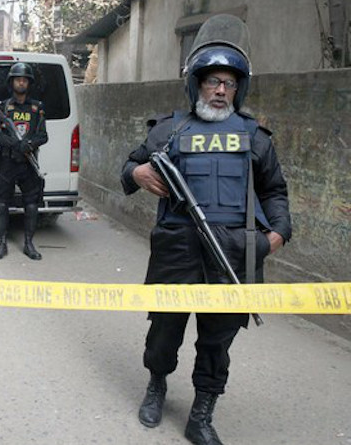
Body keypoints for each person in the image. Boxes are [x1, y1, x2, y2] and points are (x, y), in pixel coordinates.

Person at [120, 15, 291, 445]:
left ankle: (201, 414)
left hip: (233, 251)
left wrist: (277, 236)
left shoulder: (254, 137)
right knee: (164, 328)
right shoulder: (169, 130)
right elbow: (127, 165)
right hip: (178, 247)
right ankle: (157, 385)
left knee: (218, 339)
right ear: (197, 83)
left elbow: (276, 193)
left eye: (229, 83)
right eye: (213, 81)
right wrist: (138, 172)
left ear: (239, 89)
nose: (220, 90)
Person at [0, 62, 48, 261]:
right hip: (8, 162)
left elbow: (43, 136)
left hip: (28, 163)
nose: (21, 82)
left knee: (31, 204)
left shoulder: (36, 107)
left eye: (24, 80)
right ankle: (2, 243)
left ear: (28, 83)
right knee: (2, 203)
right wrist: (13, 143)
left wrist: (28, 144)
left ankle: (29, 244)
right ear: (11, 82)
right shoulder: (3, 106)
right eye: (17, 79)